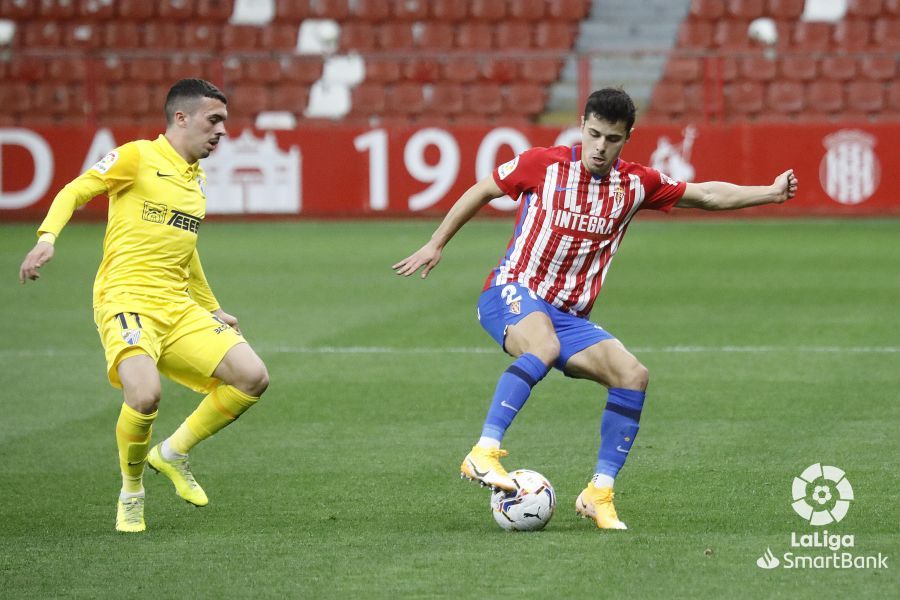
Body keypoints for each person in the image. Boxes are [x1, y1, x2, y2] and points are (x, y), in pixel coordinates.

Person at [393, 88, 798, 531]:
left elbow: (705, 194)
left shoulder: (636, 184)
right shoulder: (541, 165)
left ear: (627, 139)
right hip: (511, 291)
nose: (601, 147)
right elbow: (483, 189)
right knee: (542, 345)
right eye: (594, 134)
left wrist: (771, 193)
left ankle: (598, 493)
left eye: (613, 139)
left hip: (568, 317)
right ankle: (483, 451)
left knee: (633, 375)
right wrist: (436, 243)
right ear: (581, 125)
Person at [18, 79, 269, 533]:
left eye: (225, 123)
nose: (222, 132)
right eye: (214, 121)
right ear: (181, 118)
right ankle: (131, 491)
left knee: (252, 377)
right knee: (145, 394)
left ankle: (172, 454)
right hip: (125, 299)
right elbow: (75, 190)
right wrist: (47, 238)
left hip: (177, 305)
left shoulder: (196, 179)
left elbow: (185, 251)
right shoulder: (136, 157)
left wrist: (211, 307)